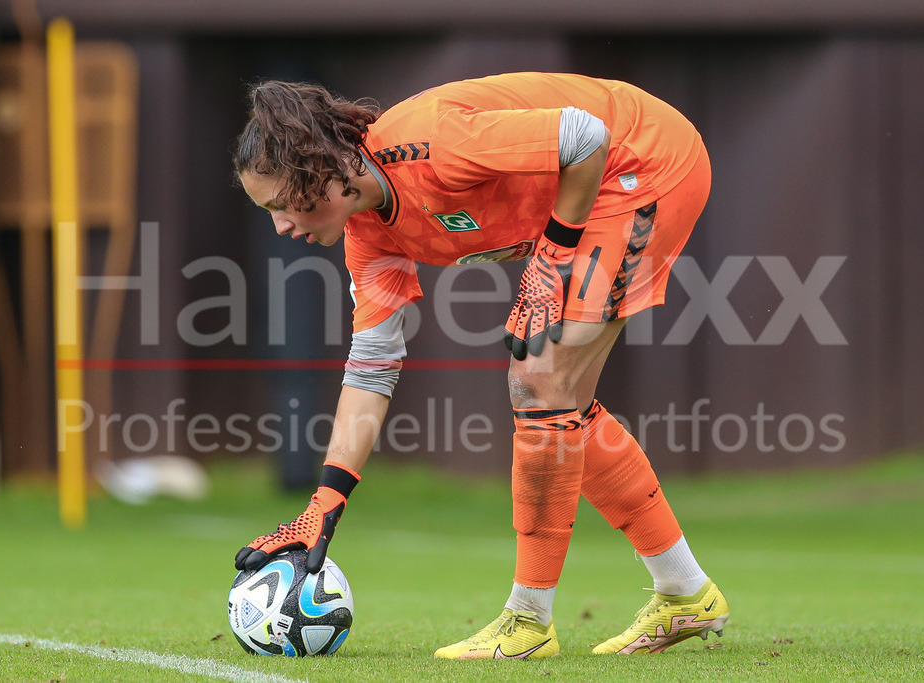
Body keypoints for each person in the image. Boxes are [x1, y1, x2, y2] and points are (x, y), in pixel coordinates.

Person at [231, 72, 729, 658]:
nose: (281, 226)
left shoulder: (431, 144)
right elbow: (370, 370)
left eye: (279, 204)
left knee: (538, 381)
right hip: (604, 181)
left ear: (318, 170)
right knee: (559, 400)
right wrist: (324, 503)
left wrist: (551, 257)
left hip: (643, 159)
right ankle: (684, 592)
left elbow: (584, 137)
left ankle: (528, 621)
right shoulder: (368, 236)